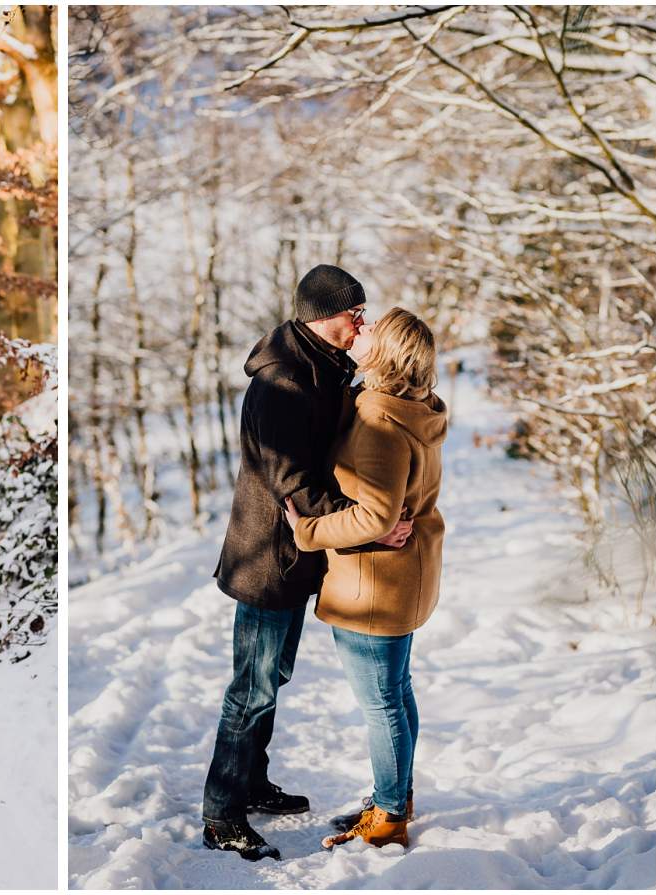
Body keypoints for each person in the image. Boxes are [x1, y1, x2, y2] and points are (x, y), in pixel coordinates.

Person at [202, 265, 413, 861]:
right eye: (356, 313)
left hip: (299, 555)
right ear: (325, 316)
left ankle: (251, 780)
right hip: (269, 556)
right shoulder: (284, 382)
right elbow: (292, 483)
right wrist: (367, 521)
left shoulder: (322, 364)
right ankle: (222, 812)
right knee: (253, 687)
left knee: (273, 679)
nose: (363, 321)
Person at [283, 307, 447, 850]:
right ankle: (395, 794)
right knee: (396, 693)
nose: (364, 326)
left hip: (373, 585)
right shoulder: (416, 408)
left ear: (387, 353)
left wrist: (307, 529)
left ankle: (389, 814)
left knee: (381, 702)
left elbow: (375, 516)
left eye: (375, 327)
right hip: (405, 576)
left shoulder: (379, 420)